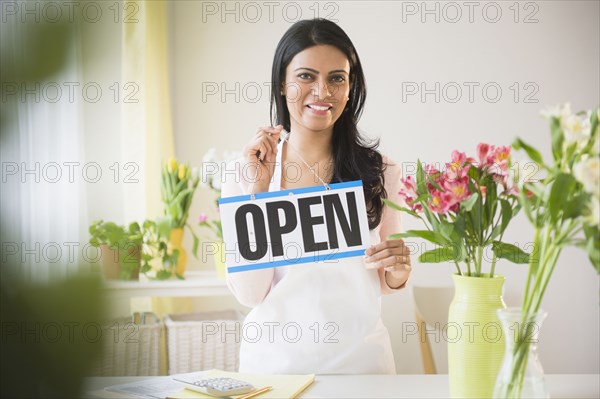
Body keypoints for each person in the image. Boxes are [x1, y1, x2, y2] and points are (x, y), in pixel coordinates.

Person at [221, 18, 411, 374]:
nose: (322, 91)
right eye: (306, 76)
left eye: (336, 78)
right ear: (282, 83)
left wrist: (399, 269)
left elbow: (387, 281)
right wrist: (258, 190)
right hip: (275, 372)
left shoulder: (381, 170)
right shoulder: (242, 172)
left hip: (363, 370)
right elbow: (250, 294)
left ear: (351, 87)